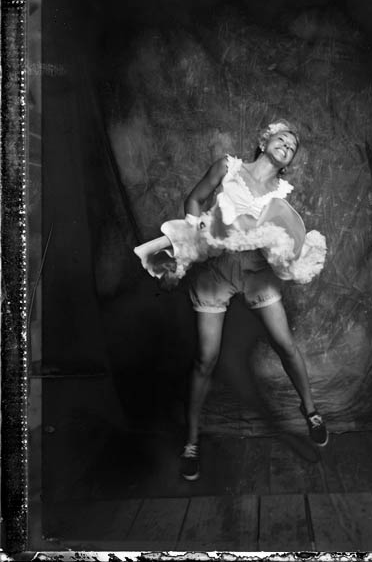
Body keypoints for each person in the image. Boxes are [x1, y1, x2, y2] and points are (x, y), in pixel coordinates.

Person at [134, 120, 327, 481]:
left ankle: (311, 411)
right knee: (206, 358)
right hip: (215, 271)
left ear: (289, 161)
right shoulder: (228, 167)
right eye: (282, 138)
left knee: (284, 343)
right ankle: (191, 443)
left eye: (293, 147)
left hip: (255, 273)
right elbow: (194, 199)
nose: (288, 145)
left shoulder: (280, 193)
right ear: (264, 141)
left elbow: (282, 234)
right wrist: (193, 235)